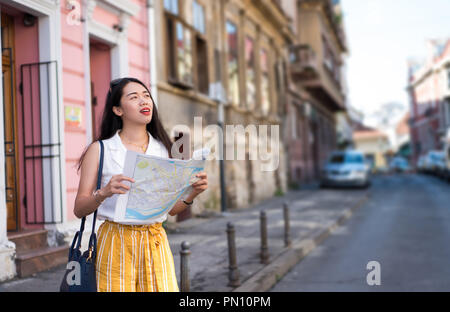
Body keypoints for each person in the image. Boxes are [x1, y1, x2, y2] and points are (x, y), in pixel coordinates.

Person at [74, 77, 208, 292]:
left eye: (146, 96)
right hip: (115, 241)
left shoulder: (165, 150)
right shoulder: (101, 150)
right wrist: (104, 192)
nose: (144, 101)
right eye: (134, 97)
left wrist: (191, 193)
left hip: (155, 240)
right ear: (118, 110)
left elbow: (171, 210)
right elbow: (79, 209)